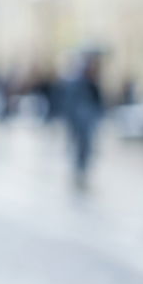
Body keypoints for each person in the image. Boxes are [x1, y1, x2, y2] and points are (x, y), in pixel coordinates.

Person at [61, 51, 104, 190]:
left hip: (89, 120)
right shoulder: (77, 82)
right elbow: (70, 102)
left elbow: (99, 101)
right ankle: (79, 170)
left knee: (87, 147)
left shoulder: (93, 82)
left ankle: (82, 170)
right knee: (81, 146)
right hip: (80, 120)